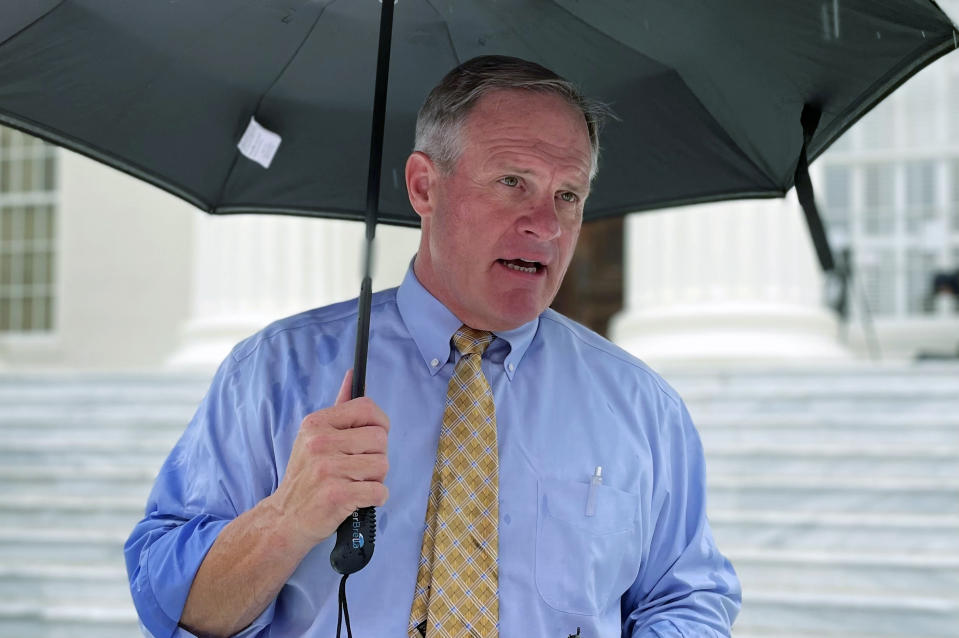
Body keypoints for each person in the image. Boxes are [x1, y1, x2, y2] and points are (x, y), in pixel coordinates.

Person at [125, 55, 740, 638]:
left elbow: (686, 596)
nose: (546, 226)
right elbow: (172, 603)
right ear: (424, 186)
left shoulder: (642, 406)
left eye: (568, 195)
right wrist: (286, 518)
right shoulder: (270, 375)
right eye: (511, 182)